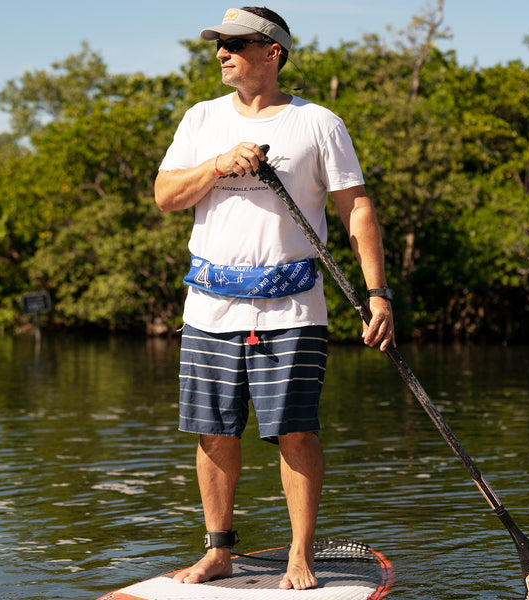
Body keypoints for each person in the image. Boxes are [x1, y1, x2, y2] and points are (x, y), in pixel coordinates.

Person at [154, 6, 394, 591]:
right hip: (209, 307)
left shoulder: (320, 124)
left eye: (235, 43)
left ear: (273, 53)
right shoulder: (200, 119)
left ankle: (299, 556)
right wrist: (216, 163)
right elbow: (166, 195)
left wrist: (377, 294)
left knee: (295, 431)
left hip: (293, 308)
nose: (221, 53)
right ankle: (217, 553)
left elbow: (357, 209)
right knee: (213, 432)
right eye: (219, 44)